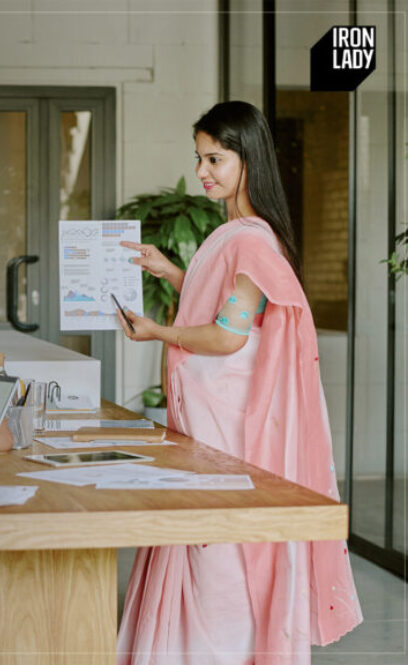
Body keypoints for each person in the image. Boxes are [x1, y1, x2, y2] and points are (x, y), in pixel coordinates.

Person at [113, 101, 362, 664]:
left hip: (225, 426)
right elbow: (228, 306)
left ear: (248, 158)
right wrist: (172, 271)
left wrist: (158, 332)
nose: (204, 171)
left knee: (216, 554)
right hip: (211, 415)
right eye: (199, 158)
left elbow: (230, 337)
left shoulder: (250, 237)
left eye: (216, 158)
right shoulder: (235, 233)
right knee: (208, 546)